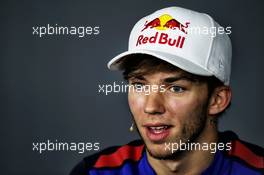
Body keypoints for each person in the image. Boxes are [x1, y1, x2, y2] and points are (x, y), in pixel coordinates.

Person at [70, 6, 264, 175]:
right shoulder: (95, 171)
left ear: (217, 99)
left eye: (176, 88)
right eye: (140, 85)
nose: (151, 107)